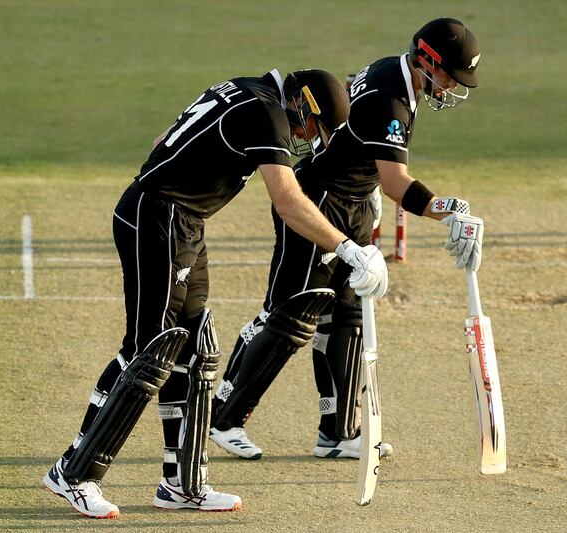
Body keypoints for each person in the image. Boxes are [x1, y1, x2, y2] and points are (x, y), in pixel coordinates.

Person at [41, 67, 388, 518]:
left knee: (193, 350)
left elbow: (163, 139)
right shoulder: (266, 112)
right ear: (301, 102)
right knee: (148, 353)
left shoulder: (248, 89)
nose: (305, 137)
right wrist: (348, 248)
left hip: (181, 221)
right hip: (160, 218)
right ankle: (74, 472)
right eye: (310, 126)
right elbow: (286, 199)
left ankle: (181, 483)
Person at [210, 17, 485, 461]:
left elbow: (375, 170)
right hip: (316, 203)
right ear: (428, 61)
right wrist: (446, 210)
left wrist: (369, 200)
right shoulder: (389, 99)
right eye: (453, 76)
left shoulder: (398, 77)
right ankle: (225, 417)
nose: (453, 87)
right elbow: (396, 181)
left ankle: (338, 431)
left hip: (354, 202)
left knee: (347, 317)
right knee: (290, 315)